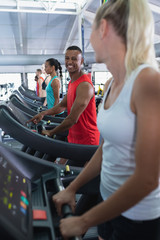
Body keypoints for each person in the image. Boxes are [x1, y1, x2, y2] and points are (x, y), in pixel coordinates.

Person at [52, 1, 160, 240]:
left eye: (91, 31)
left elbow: (147, 178)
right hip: (107, 199)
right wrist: (72, 188)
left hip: (136, 215)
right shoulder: (112, 83)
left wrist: (84, 220)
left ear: (103, 29)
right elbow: (105, 148)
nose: (90, 40)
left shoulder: (148, 82)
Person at [28, 46, 100, 146]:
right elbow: (62, 105)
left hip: (87, 140)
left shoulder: (84, 85)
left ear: (81, 61)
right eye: (67, 58)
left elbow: (72, 119)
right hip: (74, 136)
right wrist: (44, 113)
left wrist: (51, 132)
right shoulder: (72, 82)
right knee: (63, 161)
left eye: (74, 59)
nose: (70, 62)